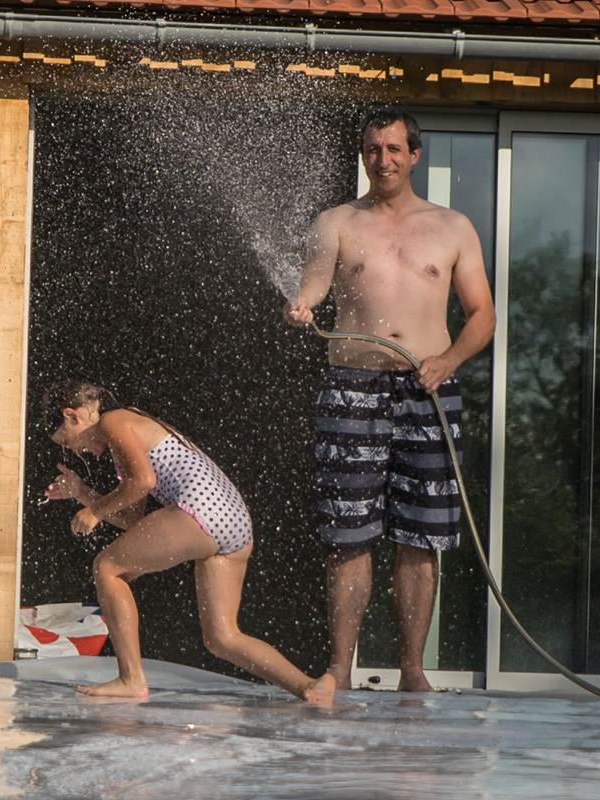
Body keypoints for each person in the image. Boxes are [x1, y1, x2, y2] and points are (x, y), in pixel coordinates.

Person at [285, 106, 496, 692]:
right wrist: (302, 304)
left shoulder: (453, 227)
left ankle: (411, 670)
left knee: (421, 536)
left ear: (414, 155)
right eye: (373, 149)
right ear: (363, 154)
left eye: (394, 149)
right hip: (352, 388)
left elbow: (483, 317)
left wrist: (448, 361)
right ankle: (339, 669)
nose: (383, 160)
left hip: (428, 390)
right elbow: (314, 284)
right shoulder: (336, 222)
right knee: (348, 533)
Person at [44, 380, 335, 704]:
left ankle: (131, 679)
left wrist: (95, 511)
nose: (75, 450)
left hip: (201, 509)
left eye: (67, 441)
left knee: (107, 567)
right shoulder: (128, 427)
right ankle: (308, 685)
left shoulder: (114, 420)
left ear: (73, 416)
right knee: (222, 637)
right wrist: (83, 494)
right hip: (234, 520)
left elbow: (144, 481)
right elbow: (132, 520)